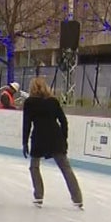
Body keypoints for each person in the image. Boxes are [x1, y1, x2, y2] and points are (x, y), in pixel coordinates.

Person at [21, 76, 83, 209]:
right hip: (55, 137)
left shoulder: (30, 102)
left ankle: (38, 196)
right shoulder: (53, 101)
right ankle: (78, 199)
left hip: (39, 137)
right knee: (65, 168)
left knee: (34, 167)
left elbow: (27, 124)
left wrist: (25, 142)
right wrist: (64, 138)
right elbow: (63, 121)